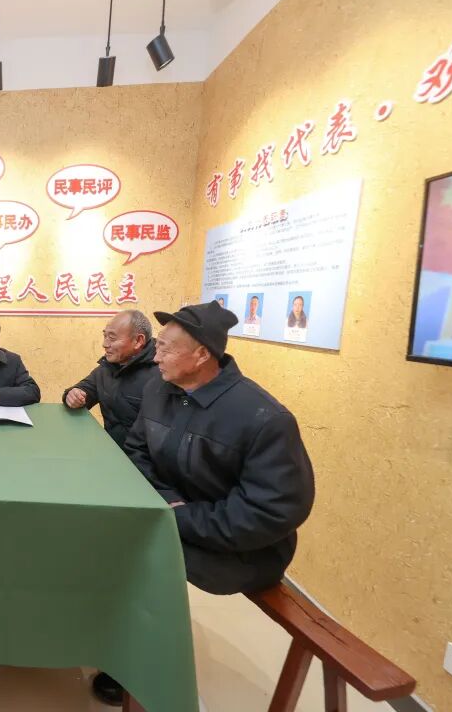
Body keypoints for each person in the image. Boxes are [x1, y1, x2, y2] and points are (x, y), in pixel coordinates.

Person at [92, 301, 314, 706]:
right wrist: (168, 503)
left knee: (138, 561)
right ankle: (109, 640)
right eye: (157, 346)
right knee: (101, 534)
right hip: (173, 517)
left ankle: (140, 668)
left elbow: (271, 510)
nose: (155, 356)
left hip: (242, 549)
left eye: (166, 348)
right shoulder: (159, 390)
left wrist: (182, 518)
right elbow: (138, 453)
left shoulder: (263, 417)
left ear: (200, 355)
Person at [62, 310, 160, 449]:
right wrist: (73, 394)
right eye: (105, 336)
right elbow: (84, 389)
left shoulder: (162, 373)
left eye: (112, 338)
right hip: (110, 452)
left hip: (143, 459)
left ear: (138, 341)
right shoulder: (106, 369)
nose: (105, 344)